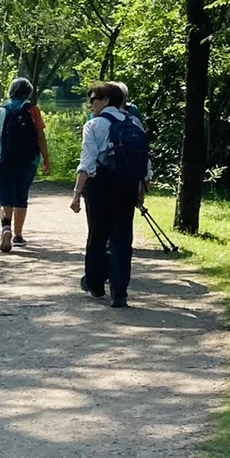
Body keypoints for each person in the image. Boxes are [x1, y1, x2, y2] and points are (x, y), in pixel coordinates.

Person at [70, 81, 151, 308]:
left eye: (93, 99)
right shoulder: (133, 122)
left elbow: (87, 163)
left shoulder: (94, 125)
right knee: (122, 237)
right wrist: (141, 188)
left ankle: (96, 284)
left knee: (98, 234)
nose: (91, 104)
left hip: (100, 185)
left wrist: (77, 192)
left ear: (106, 101)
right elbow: (144, 160)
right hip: (127, 184)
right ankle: (119, 291)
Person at [0, 77, 51, 253]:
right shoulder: (32, 110)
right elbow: (40, 136)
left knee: (5, 198)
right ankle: (18, 236)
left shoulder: (2, 110)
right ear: (28, 92)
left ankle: (6, 228)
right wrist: (46, 159)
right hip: (28, 161)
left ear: (11, 91)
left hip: (2, 160)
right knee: (21, 196)